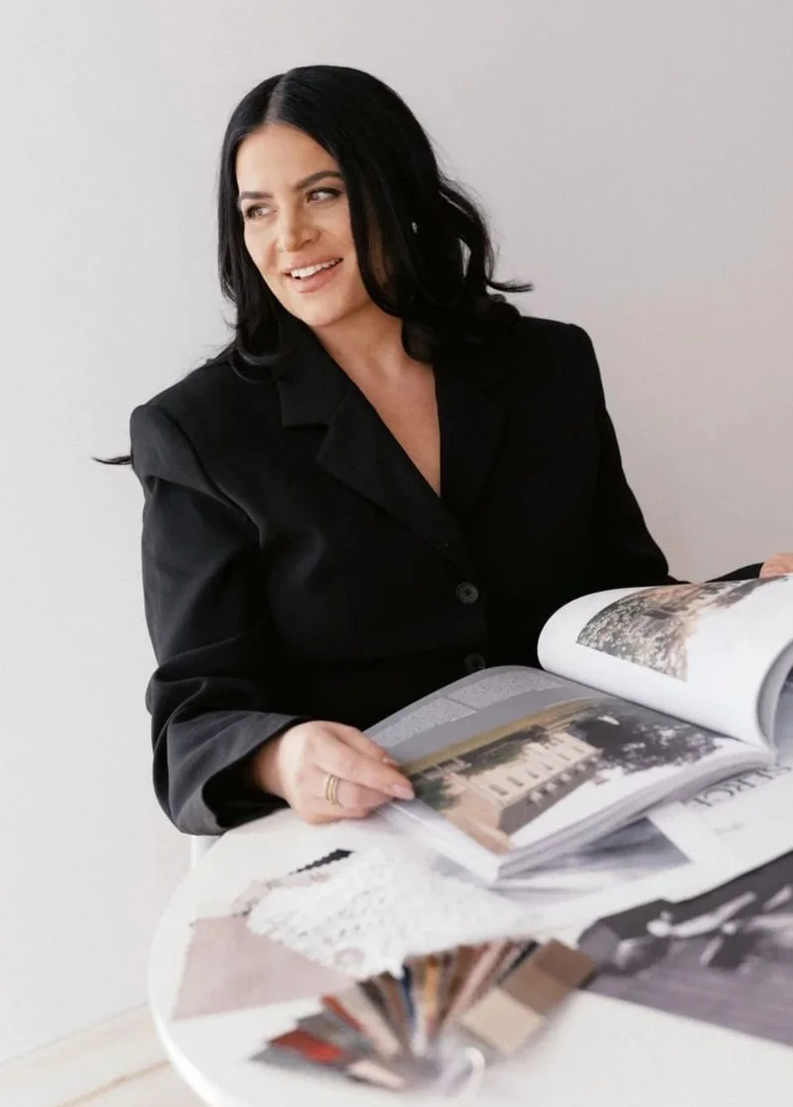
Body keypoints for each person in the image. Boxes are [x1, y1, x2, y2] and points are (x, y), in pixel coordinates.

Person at [121, 64, 792, 838]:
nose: (289, 236)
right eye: (257, 209)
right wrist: (281, 756)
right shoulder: (196, 432)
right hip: (380, 821)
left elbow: (616, 601)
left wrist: (745, 599)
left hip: (599, 787)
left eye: (322, 194)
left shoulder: (548, 367)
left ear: (394, 192)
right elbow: (194, 722)